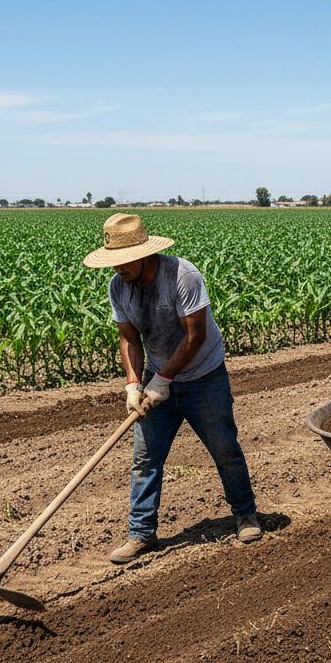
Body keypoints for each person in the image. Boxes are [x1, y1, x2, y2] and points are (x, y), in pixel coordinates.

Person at [83, 213, 262, 565]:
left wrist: (164, 380)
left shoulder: (182, 275)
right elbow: (128, 338)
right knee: (145, 459)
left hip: (204, 377)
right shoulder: (118, 286)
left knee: (224, 448)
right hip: (155, 376)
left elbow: (197, 336)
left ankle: (245, 514)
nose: (117, 269)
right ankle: (141, 533)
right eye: (112, 263)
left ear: (143, 253)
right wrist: (134, 383)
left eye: (122, 262)